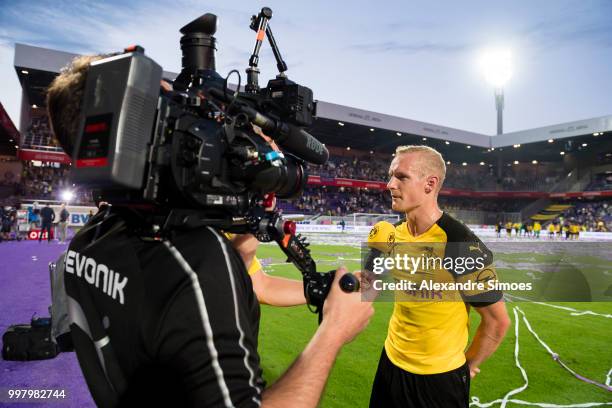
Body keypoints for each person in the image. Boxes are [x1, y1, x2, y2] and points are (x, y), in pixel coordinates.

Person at [48, 54, 374, 407]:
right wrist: (333, 332)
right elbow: (194, 286)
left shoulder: (91, 237)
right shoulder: (197, 261)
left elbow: (242, 286)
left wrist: (246, 250)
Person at [368, 145, 510, 408]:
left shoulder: (460, 242)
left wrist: (467, 368)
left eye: (401, 177)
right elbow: (367, 289)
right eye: (390, 176)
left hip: (439, 381)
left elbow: (497, 321)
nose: (389, 184)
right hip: (390, 363)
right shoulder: (391, 234)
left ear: (429, 184)